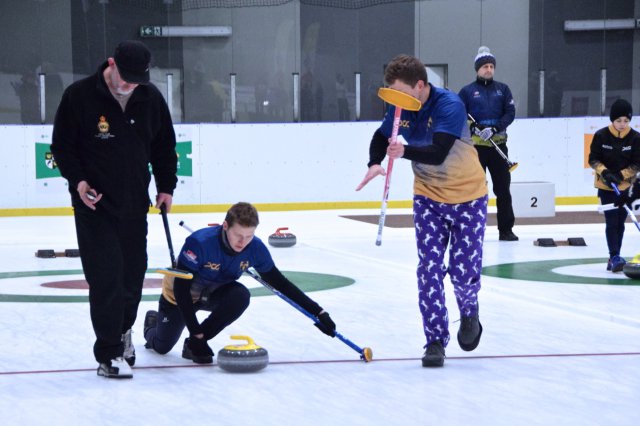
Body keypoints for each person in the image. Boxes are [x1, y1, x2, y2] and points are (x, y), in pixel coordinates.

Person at [50, 40, 178, 379]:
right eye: (125, 78)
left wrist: (166, 186)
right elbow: (62, 147)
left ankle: (123, 332)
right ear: (111, 64)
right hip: (94, 205)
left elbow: (165, 146)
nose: (129, 86)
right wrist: (78, 182)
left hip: (136, 204)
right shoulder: (79, 97)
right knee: (106, 277)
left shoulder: (150, 98)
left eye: (137, 80)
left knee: (133, 277)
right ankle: (108, 353)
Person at [356, 54, 488, 367]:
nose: (396, 99)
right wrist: (375, 163)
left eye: (400, 92)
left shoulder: (449, 105)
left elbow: (439, 152)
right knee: (428, 269)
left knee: (463, 273)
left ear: (420, 86)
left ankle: (469, 311)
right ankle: (434, 340)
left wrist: (403, 152)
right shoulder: (399, 106)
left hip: (469, 196)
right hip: (428, 197)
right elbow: (380, 135)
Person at [143, 202, 337, 363]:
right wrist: (196, 333)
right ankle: (153, 323)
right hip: (179, 297)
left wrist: (318, 312)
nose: (242, 243)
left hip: (212, 294)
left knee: (240, 296)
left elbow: (281, 284)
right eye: (238, 235)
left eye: (249, 236)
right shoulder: (200, 243)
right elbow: (181, 289)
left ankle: (194, 343)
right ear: (225, 226)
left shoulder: (256, 249)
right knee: (161, 348)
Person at [458, 46, 518, 241]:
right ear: (477, 69)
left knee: (503, 189)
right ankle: (472, 228)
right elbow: (459, 116)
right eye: (485, 66)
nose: (489, 69)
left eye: (492, 66)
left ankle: (506, 229)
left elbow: (510, 113)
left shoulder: (503, 89)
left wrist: (495, 129)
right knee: (474, 190)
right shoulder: (467, 92)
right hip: (475, 150)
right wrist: (474, 128)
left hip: (498, 146)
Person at [588, 99, 640, 272]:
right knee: (611, 222)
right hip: (605, 187)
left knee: (620, 223)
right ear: (612, 120)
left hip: (624, 187)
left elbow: (637, 164)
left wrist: (620, 176)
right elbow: (593, 159)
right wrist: (605, 173)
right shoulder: (601, 135)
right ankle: (614, 256)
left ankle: (614, 256)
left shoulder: (635, 138)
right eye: (618, 121)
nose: (622, 125)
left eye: (626, 121)